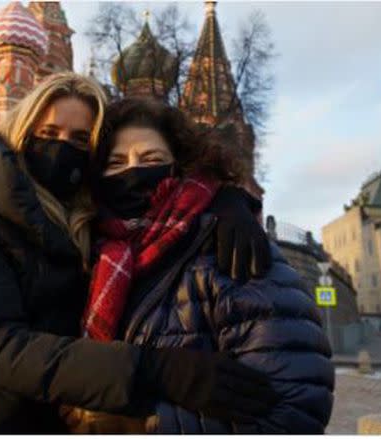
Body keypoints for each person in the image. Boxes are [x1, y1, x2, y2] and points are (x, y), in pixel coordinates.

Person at [0, 73, 277, 434]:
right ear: (22, 131)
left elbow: (171, 198)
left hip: (61, 419)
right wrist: (152, 371)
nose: (62, 149)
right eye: (48, 133)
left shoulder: (95, 218)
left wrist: (227, 201)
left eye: (79, 139)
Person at [60, 97, 334, 433]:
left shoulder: (230, 247)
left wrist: (135, 423)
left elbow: (294, 410)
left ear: (180, 166)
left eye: (152, 159)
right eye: (116, 163)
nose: (133, 171)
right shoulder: (89, 257)